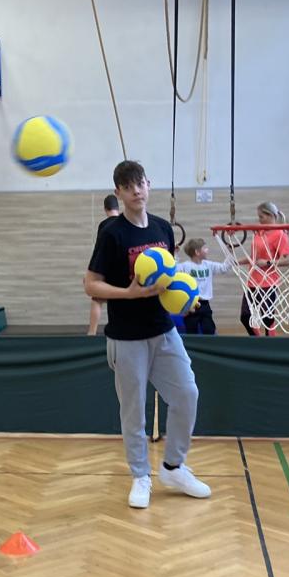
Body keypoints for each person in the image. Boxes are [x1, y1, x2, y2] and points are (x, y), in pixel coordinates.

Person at [84, 160, 210, 510]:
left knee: (187, 394)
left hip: (164, 331)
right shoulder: (112, 233)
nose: (136, 190)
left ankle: (173, 467)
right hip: (126, 339)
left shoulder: (162, 228)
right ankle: (141, 475)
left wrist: (183, 299)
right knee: (133, 412)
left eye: (140, 183)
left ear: (149, 185)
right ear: (119, 192)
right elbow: (91, 285)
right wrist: (128, 293)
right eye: (128, 186)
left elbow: (166, 278)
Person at [239, 201, 289, 336]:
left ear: (271, 215)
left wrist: (268, 262)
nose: (259, 220)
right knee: (245, 317)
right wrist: (236, 261)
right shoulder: (259, 233)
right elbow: (254, 258)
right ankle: (257, 340)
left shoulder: (280, 235)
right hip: (252, 282)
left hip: (268, 283)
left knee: (267, 320)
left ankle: (270, 343)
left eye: (261, 217)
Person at [175, 237, 230, 335]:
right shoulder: (185, 266)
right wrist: (175, 253)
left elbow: (224, 268)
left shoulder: (208, 265)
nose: (207, 250)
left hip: (205, 304)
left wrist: (230, 253)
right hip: (191, 304)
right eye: (205, 248)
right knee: (191, 330)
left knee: (209, 329)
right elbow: (173, 269)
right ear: (197, 252)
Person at [88, 194, 121, 335]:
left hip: (107, 268)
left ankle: (92, 332)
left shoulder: (103, 225)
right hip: (122, 268)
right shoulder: (125, 222)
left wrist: (91, 273)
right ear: (118, 207)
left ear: (105, 208)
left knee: (97, 299)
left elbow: (99, 251)